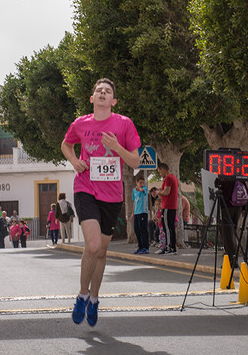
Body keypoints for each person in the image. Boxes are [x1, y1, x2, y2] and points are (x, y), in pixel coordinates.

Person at [61, 78, 141, 326]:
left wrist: (117, 147)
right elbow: (66, 144)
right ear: (92, 98)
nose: (103, 94)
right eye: (99, 91)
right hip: (85, 187)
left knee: (102, 251)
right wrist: (75, 162)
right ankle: (82, 295)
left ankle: (94, 298)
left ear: (113, 101)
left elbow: (136, 162)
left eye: (108, 92)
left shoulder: (124, 124)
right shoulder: (81, 124)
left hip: (112, 194)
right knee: (93, 246)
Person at [157, 162, 178, 254]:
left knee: (167, 227)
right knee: (171, 227)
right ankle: (171, 246)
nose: (160, 174)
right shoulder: (174, 177)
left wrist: (158, 192)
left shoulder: (168, 178)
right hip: (172, 206)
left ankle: (169, 246)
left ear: (163, 169)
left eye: (160, 172)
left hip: (167, 206)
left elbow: (166, 192)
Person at [132, 175, 149, 254]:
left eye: (143, 182)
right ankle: (140, 246)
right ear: (136, 182)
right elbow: (134, 201)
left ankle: (146, 247)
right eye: (140, 183)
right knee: (137, 230)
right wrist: (133, 213)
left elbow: (142, 190)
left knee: (143, 230)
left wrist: (140, 189)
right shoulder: (134, 190)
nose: (142, 184)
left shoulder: (144, 188)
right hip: (136, 213)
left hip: (143, 212)